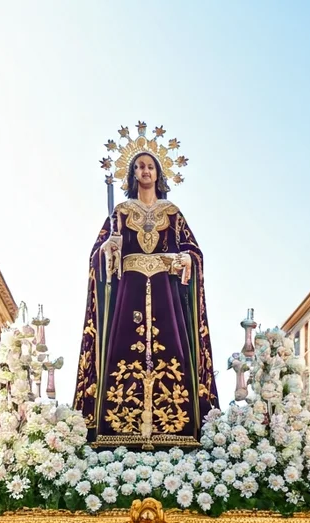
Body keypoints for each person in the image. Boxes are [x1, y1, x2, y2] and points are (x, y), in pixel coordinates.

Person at [73, 124, 219, 448]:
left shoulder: (173, 213)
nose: (145, 171)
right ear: (132, 174)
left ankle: (178, 431)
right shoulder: (121, 213)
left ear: (159, 173)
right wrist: (108, 249)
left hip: (166, 295)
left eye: (150, 166)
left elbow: (194, 252)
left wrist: (185, 260)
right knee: (122, 353)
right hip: (130, 294)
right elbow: (98, 257)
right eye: (139, 166)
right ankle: (117, 430)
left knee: (174, 353)